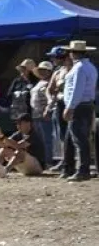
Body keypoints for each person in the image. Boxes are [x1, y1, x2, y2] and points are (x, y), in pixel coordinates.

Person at [60, 39, 96, 182]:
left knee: (79, 139)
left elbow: (77, 89)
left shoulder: (79, 68)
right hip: (86, 105)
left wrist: (70, 107)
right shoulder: (90, 67)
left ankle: (83, 170)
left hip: (79, 106)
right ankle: (75, 168)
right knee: (78, 138)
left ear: (73, 53)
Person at [0, 114, 44, 178]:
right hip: (25, 167)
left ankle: (5, 170)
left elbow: (18, 146)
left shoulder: (34, 134)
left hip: (36, 168)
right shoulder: (18, 133)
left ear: (28, 123)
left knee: (20, 151)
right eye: (17, 123)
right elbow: (3, 144)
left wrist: (1, 134)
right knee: (3, 149)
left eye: (20, 123)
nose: (18, 126)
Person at [46, 47, 74, 175]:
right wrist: (50, 100)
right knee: (62, 135)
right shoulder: (57, 72)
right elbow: (49, 89)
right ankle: (65, 160)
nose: (52, 59)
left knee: (73, 134)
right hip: (59, 104)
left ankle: (72, 162)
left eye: (54, 57)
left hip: (70, 104)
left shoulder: (72, 69)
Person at [29, 61, 56, 163]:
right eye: (41, 70)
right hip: (36, 114)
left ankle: (48, 161)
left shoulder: (50, 83)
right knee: (39, 140)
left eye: (45, 70)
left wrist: (48, 110)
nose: (42, 72)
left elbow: (53, 98)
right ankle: (42, 160)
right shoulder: (39, 82)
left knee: (47, 140)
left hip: (45, 114)